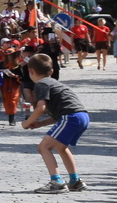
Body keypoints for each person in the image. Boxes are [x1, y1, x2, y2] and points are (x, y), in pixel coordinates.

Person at [22, 53, 88, 192]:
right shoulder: (56, 83)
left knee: (44, 147)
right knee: (61, 147)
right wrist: (39, 124)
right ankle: (75, 180)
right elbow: (59, 114)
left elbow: (41, 108)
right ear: (52, 71)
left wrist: (27, 122)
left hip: (71, 117)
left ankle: (56, 181)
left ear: (31, 71)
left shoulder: (40, 84)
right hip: (82, 116)